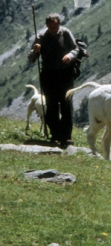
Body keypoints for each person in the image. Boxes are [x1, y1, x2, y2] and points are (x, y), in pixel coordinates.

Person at [28, 13, 79, 147]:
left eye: (55, 27)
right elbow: (31, 58)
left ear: (59, 24)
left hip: (65, 75)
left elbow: (76, 49)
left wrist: (70, 55)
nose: (53, 30)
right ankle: (55, 135)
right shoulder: (41, 36)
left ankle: (66, 136)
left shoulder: (66, 33)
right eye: (50, 27)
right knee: (51, 105)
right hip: (49, 75)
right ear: (47, 26)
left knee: (66, 105)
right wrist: (35, 51)